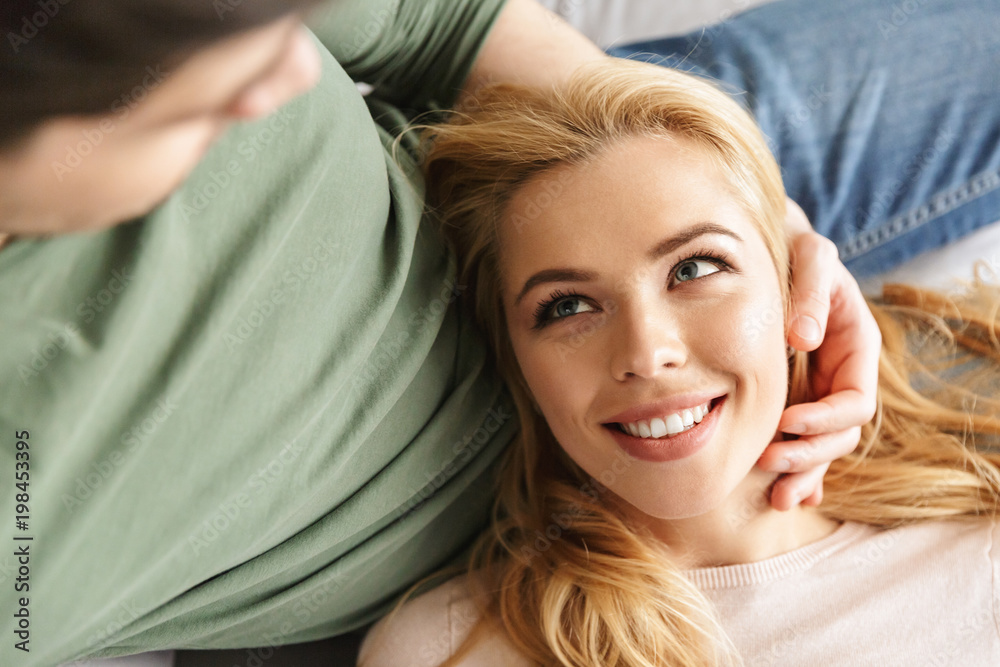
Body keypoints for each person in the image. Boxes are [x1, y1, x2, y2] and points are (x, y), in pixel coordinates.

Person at [0, 0, 975, 663]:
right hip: (470, 568)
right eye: (198, 90)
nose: (293, 70)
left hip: (572, 159)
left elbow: (443, 20)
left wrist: (769, 232)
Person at [357, 58, 1000, 666]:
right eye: (567, 306)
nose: (645, 353)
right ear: (514, 356)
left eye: (694, 268)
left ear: (793, 282)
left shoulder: (982, 559)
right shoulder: (447, 647)